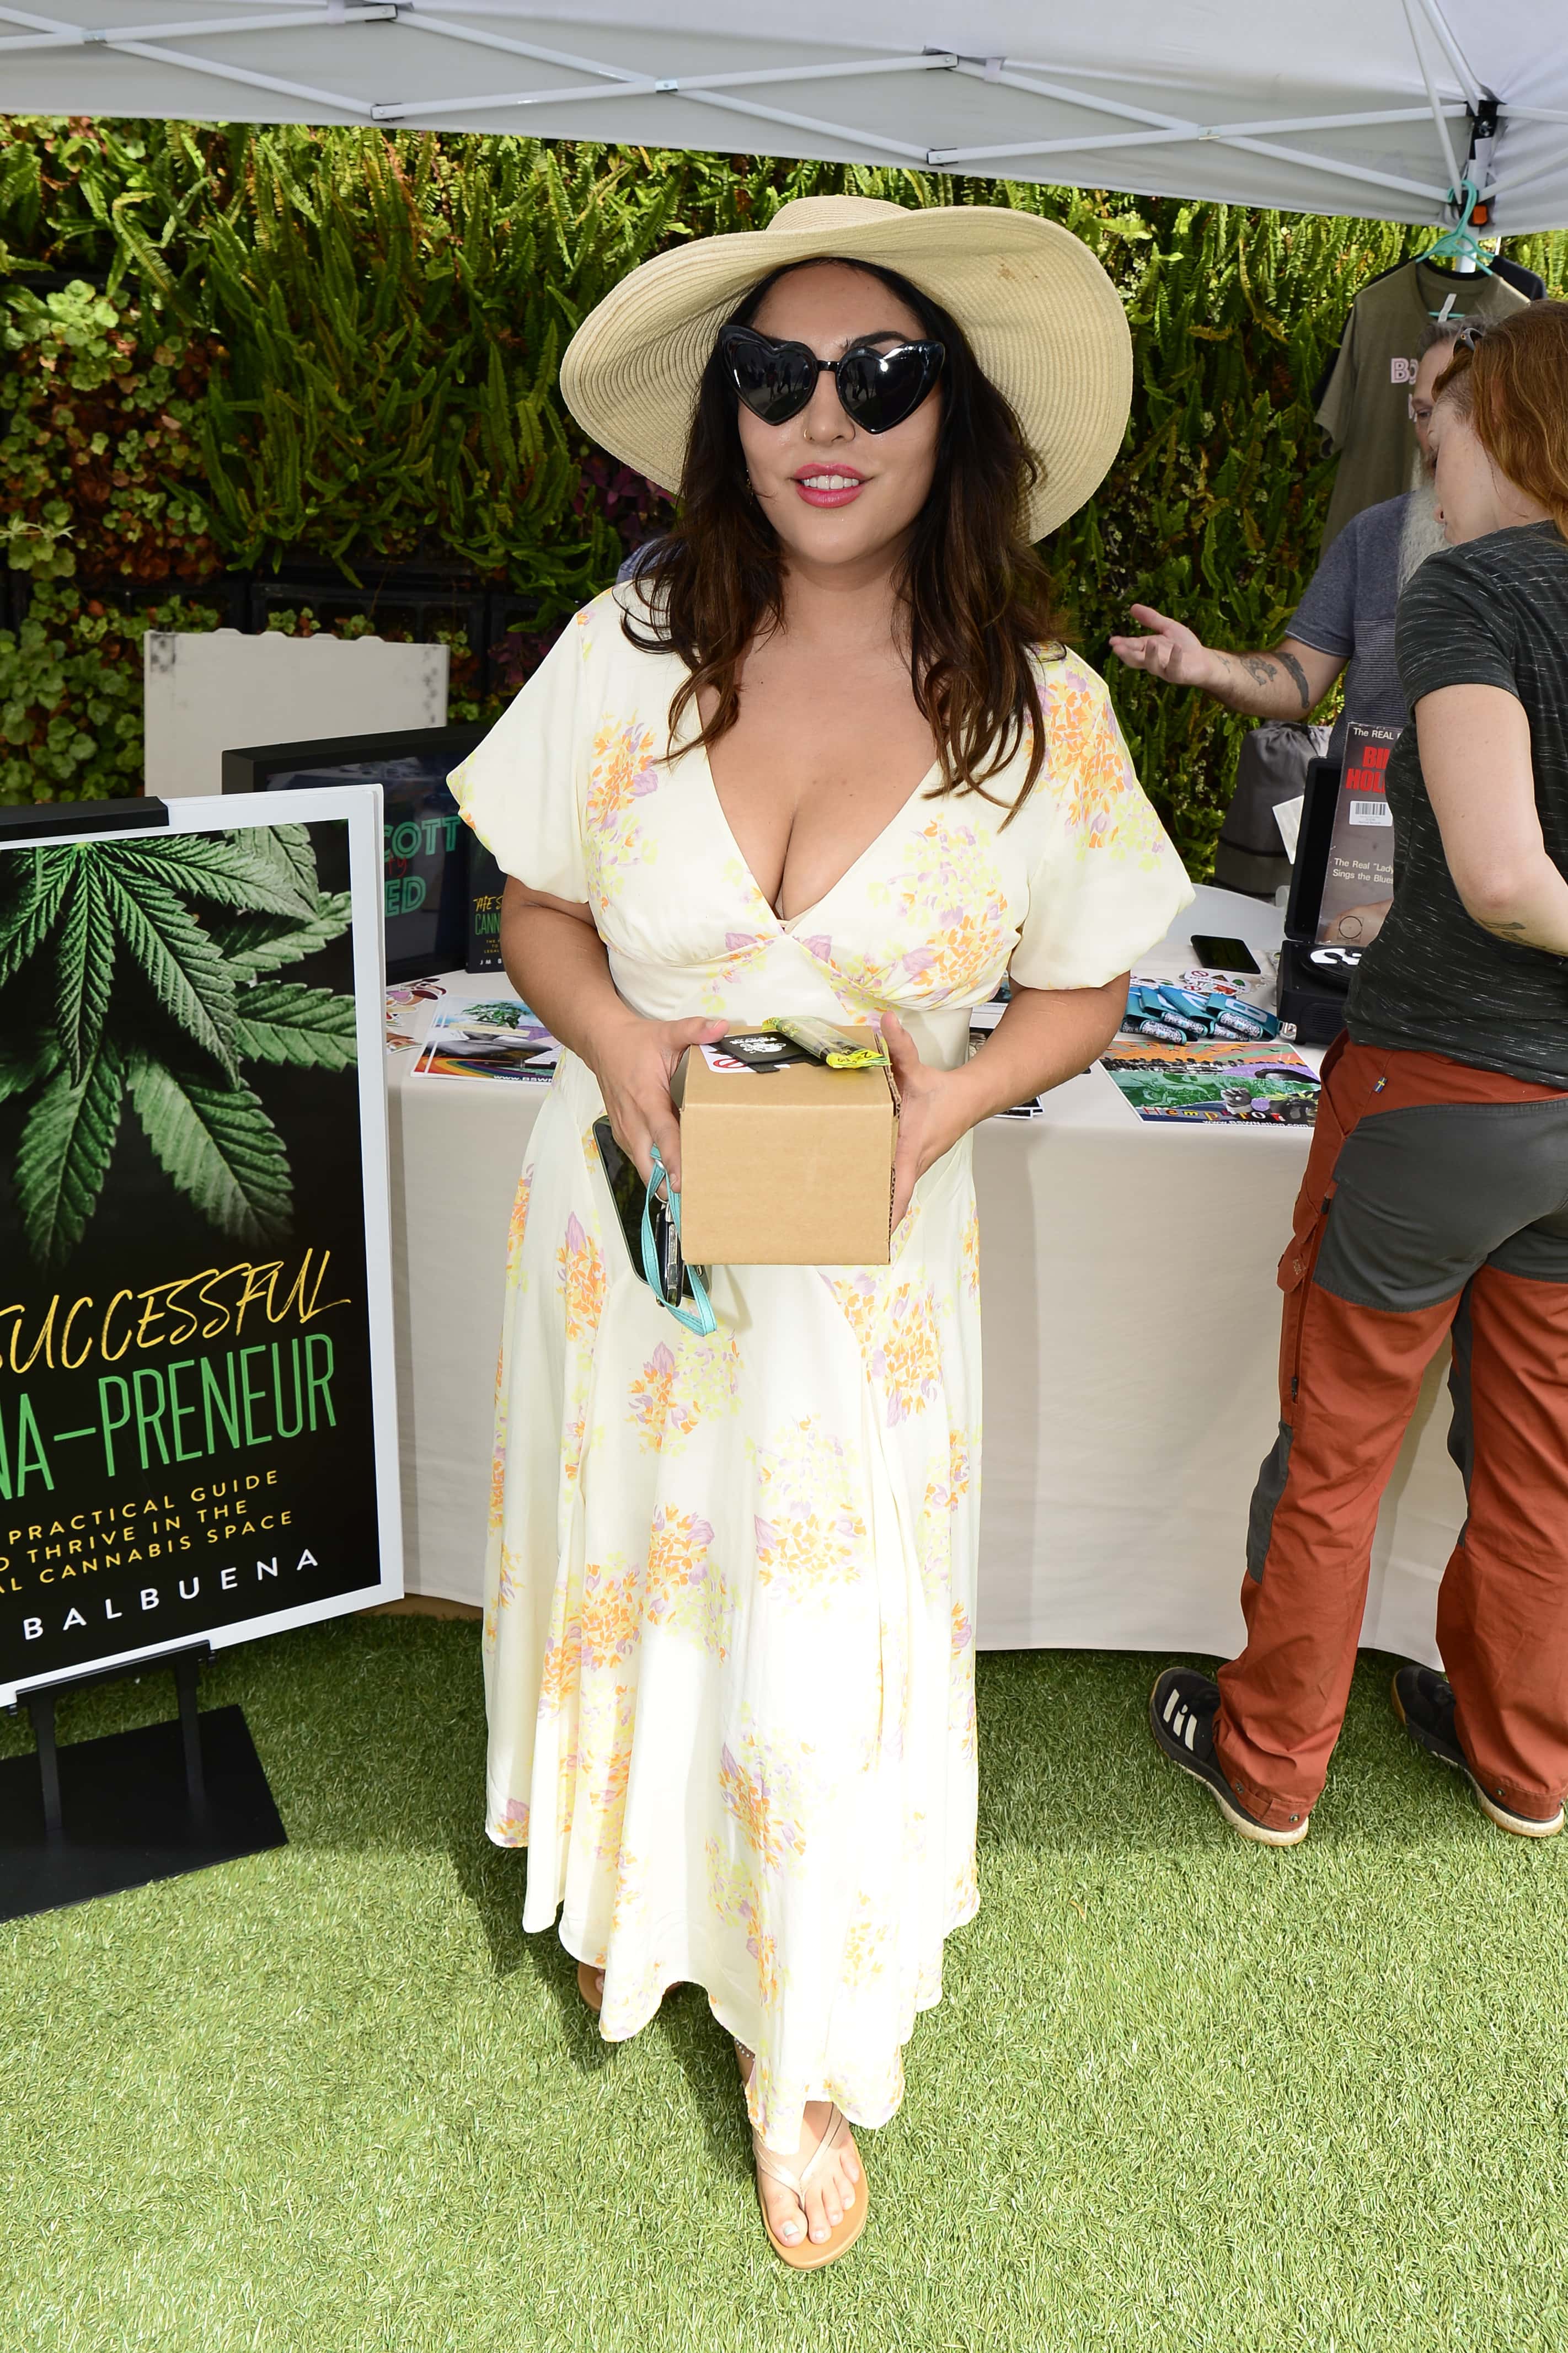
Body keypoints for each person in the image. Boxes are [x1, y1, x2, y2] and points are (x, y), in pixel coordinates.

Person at [448, 194, 1191, 2267]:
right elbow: (534, 903)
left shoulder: (1039, 711)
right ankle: (632, 1897)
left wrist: (937, 1106)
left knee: (813, 1640)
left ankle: (797, 2039)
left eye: (880, 373)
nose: (822, 419)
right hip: (626, 1227)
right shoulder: (629, 645)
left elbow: (1084, 987)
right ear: (727, 417)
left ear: (952, 412)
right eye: (773, 378)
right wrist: (614, 1056)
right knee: (632, 1577)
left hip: (857, 1262)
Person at [1147, 302, 1568, 1848]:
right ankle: (1525, 1760)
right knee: (1539, 1460)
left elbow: (1512, 879)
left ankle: (1266, 1760)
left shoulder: (1472, 593)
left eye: (1443, 434)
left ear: (1508, 430)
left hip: (1435, 1086)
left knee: (1336, 1446)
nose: (1429, 470)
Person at [1106, 318, 1463, 754]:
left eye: (1449, 413)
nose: (1431, 435)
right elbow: (1299, 678)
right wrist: (1209, 667)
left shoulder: (1547, 550)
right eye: (1423, 413)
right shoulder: (1373, 533)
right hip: (1362, 814)